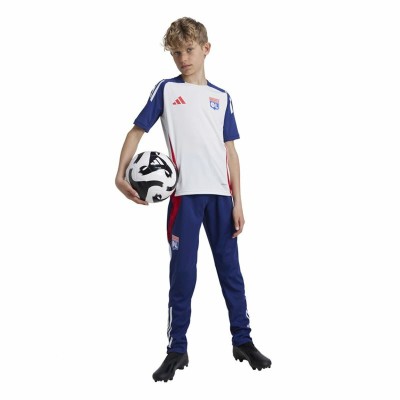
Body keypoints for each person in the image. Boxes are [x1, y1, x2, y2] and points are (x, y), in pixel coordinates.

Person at [115, 17, 271, 382]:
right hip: (184, 198)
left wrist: (238, 201)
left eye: (188, 50)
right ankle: (177, 349)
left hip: (221, 197)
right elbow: (137, 131)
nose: (183, 59)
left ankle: (243, 341)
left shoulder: (222, 97)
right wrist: (120, 175)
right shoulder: (166, 90)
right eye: (176, 53)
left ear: (205, 48)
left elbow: (230, 152)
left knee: (231, 272)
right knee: (183, 274)